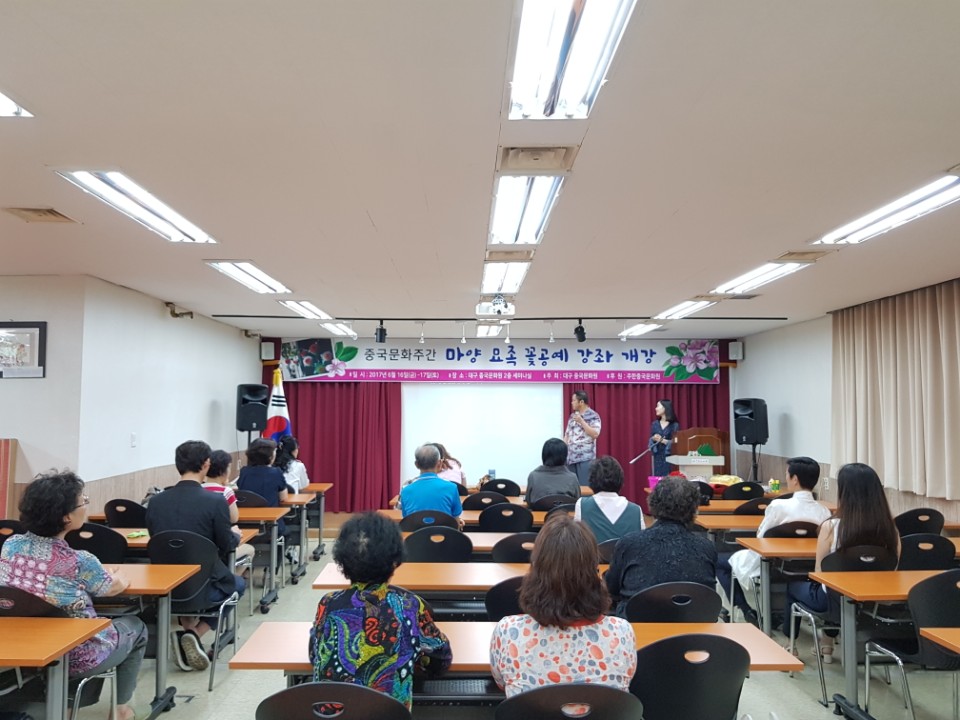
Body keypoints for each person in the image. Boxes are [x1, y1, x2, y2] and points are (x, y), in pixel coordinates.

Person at [0, 471, 148, 720]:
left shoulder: (11, 545)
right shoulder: (79, 561)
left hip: (23, 648)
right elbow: (111, 588)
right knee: (134, 626)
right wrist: (119, 576)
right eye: (83, 501)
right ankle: (121, 710)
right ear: (66, 517)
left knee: (85, 626)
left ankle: (67, 706)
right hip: (75, 655)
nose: (86, 505)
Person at [309, 512, 452, 710]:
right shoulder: (409, 605)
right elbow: (441, 659)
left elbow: (314, 655)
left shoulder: (328, 603)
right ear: (395, 561)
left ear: (342, 561)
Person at [490, 513, 636, 697]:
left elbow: (502, 683)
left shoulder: (508, 632)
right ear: (594, 572)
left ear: (535, 570)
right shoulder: (622, 633)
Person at [782, 463, 900, 659]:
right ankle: (826, 643)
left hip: (832, 604)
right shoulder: (891, 530)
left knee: (795, 588)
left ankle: (790, 646)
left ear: (844, 493)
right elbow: (893, 568)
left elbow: (820, 573)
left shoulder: (831, 527)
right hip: (875, 604)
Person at [146, 440, 245, 672]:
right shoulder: (216, 501)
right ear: (206, 464)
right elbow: (226, 544)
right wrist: (235, 535)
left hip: (166, 586)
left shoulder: (155, 502)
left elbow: (156, 538)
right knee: (238, 584)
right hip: (204, 585)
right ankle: (195, 633)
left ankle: (188, 631)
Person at [716, 456, 831, 624]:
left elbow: (761, 537)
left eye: (787, 474)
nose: (786, 478)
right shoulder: (824, 511)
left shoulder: (778, 506)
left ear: (795, 479)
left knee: (718, 561)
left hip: (772, 566)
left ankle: (746, 609)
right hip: (808, 568)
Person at [605, 475, 716, 618]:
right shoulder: (706, 548)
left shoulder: (629, 543)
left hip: (638, 625)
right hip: (692, 625)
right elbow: (709, 596)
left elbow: (612, 588)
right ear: (694, 509)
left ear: (653, 504)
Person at [202, 449, 255, 570]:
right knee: (249, 549)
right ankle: (232, 578)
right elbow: (234, 518)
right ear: (223, 471)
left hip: (203, 546)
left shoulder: (199, 489)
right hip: (221, 546)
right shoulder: (226, 492)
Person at [575, 456, 644, 543]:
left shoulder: (582, 505)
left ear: (592, 480)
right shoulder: (636, 510)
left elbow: (577, 542)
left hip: (593, 552)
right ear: (620, 480)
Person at [398, 444, 463, 527]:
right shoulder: (451, 488)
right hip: (444, 534)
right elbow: (456, 523)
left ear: (416, 464)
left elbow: (406, 519)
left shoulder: (405, 490)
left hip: (415, 535)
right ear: (439, 463)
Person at [237, 437, 289, 535]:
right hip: (270, 525)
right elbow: (283, 498)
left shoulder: (244, 472)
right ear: (270, 456)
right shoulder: (276, 472)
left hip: (245, 525)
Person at [524, 438, 581, 505]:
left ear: (544, 455)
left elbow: (528, 500)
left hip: (538, 511)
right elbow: (577, 501)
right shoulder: (572, 478)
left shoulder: (533, 476)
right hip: (564, 512)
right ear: (564, 456)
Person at [563, 390, 602, 485]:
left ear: (581, 402)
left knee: (585, 487)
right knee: (572, 488)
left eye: (574, 400)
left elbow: (595, 434)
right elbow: (567, 435)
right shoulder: (572, 416)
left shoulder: (593, 416)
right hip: (571, 459)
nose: (571, 403)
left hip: (585, 459)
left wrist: (582, 421)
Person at [648, 399, 680, 478]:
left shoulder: (674, 425)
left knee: (668, 479)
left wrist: (663, 441)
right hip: (657, 457)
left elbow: (677, 443)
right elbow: (651, 441)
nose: (656, 408)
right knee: (657, 479)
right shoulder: (655, 424)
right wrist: (653, 439)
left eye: (658, 406)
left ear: (665, 408)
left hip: (669, 458)